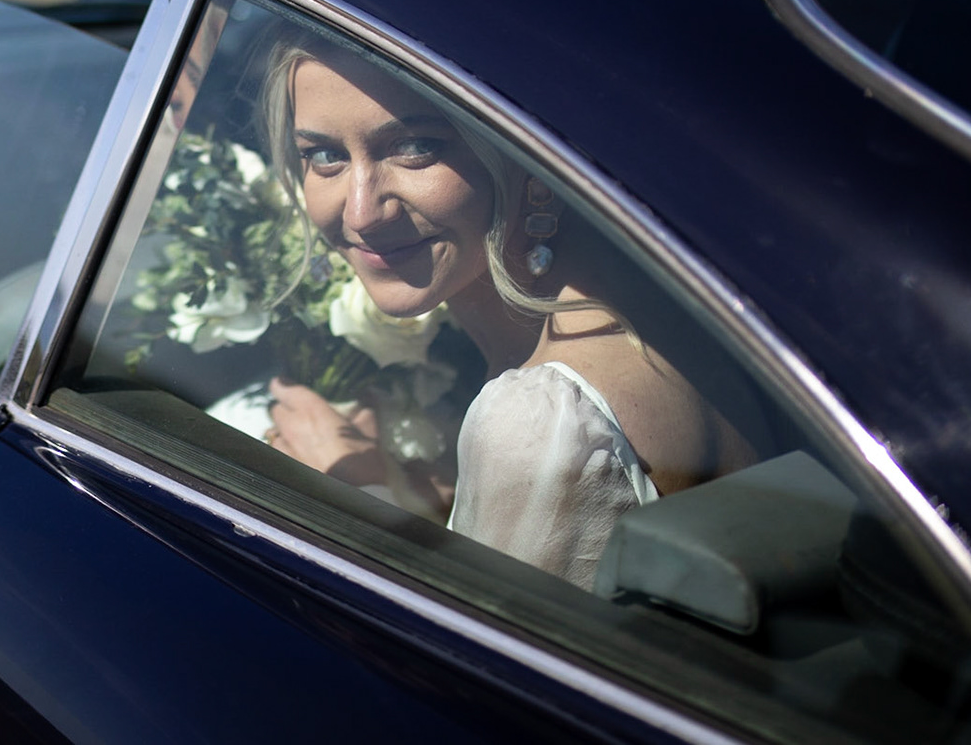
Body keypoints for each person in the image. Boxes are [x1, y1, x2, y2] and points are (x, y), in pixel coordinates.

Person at [259, 36, 754, 590]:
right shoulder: (694, 302)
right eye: (323, 155)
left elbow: (449, 661)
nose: (361, 212)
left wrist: (367, 503)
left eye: (416, 146)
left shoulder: (541, 424)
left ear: (530, 150)